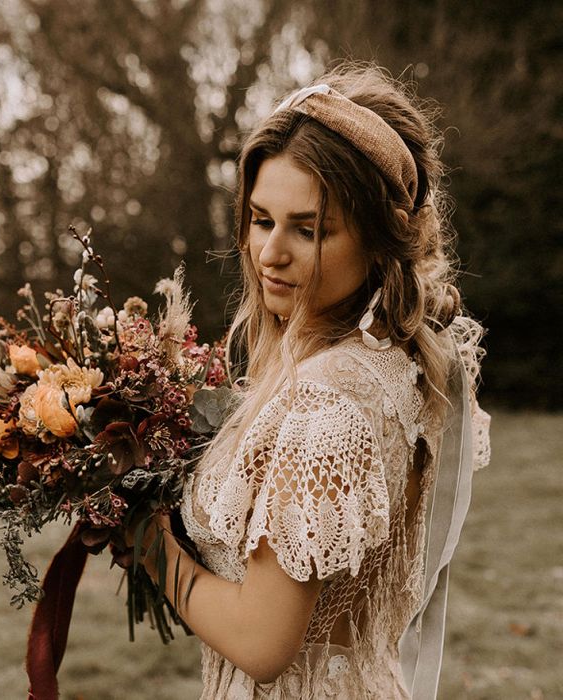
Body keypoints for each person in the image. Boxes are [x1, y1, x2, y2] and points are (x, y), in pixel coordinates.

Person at [137, 62, 491, 699]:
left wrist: (145, 540)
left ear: (379, 240)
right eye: (261, 219)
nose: (270, 252)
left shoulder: (326, 401)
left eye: (310, 229)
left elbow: (262, 642)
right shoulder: (389, 364)